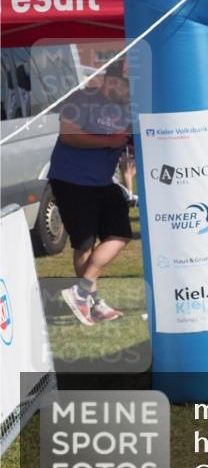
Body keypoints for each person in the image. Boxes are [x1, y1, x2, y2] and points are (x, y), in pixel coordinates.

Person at [50, 60, 131, 325]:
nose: (121, 89)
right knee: (84, 243)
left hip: (102, 182)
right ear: (107, 80)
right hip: (71, 179)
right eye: (117, 83)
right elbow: (68, 135)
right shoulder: (82, 98)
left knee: (120, 233)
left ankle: (81, 290)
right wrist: (109, 140)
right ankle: (93, 304)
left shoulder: (129, 109)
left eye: (126, 87)